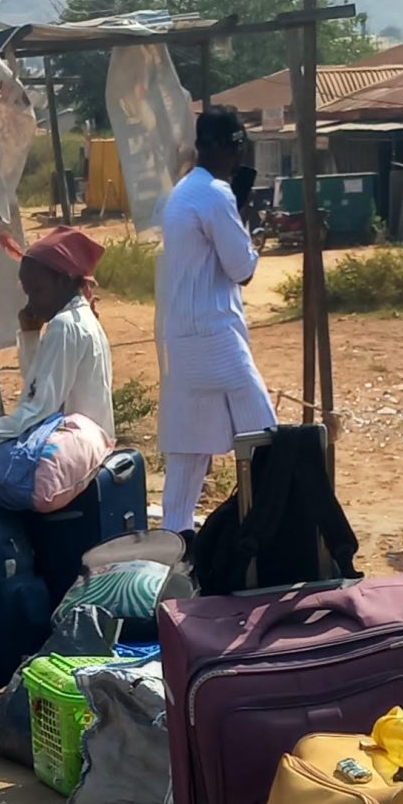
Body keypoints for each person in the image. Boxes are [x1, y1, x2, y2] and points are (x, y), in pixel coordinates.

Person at [154, 107, 274, 532]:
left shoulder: (185, 190)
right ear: (224, 146)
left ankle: (174, 548)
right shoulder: (215, 195)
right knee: (267, 440)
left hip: (184, 338)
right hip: (215, 336)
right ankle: (272, 533)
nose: (241, 156)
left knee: (188, 455)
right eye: (239, 146)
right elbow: (242, 268)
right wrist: (244, 217)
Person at [0, 227, 115, 509]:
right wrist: (30, 334)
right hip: (84, 442)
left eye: (37, 291)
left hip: (66, 447)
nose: (31, 302)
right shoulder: (79, 318)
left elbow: (38, 409)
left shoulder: (65, 325)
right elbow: (38, 387)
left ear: (62, 280)